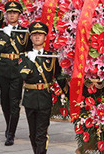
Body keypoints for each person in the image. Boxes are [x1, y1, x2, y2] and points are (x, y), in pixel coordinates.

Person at [19, 21, 62, 154]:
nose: (37, 37)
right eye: (34, 35)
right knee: (32, 133)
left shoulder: (51, 57)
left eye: (40, 35)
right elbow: (22, 75)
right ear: (31, 37)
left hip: (44, 97)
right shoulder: (24, 56)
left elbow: (59, 77)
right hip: (30, 97)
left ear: (45, 38)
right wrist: (31, 61)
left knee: (41, 133)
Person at [0, 0, 30, 146]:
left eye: (14, 13)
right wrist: (6, 35)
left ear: (19, 15)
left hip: (17, 70)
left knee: (15, 102)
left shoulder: (25, 32)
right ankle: (9, 124)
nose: (12, 15)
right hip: (3, 69)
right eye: (9, 13)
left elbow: (28, 51)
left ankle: (11, 133)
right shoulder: (0, 31)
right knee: (4, 101)